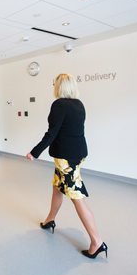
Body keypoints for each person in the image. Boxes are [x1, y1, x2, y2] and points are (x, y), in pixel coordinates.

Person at [26, 74, 107, 259]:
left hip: (66, 159)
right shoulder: (79, 104)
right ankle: (49, 220)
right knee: (57, 187)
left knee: (76, 197)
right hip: (77, 153)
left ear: (59, 86)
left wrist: (34, 152)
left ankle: (97, 241)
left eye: (54, 83)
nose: (53, 85)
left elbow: (52, 132)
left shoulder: (59, 105)